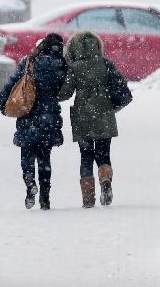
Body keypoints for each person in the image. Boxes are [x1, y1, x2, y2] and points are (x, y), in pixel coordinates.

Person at [0, 33, 67, 211]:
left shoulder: (29, 62)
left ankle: (29, 183)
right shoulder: (62, 66)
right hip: (49, 117)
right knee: (45, 158)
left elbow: (12, 83)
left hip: (28, 114)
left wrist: (1, 102)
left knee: (26, 155)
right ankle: (45, 198)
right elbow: (65, 91)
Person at [59, 31, 128, 208]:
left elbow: (65, 94)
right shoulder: (106, 64)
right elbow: (120, 85)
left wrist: (51, 93)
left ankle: (88, 198)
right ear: (97, 46)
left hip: (83, 114)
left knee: (86, 155)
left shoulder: (74, 67)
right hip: (104, 111)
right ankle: (105, 180)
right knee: (104, 152)